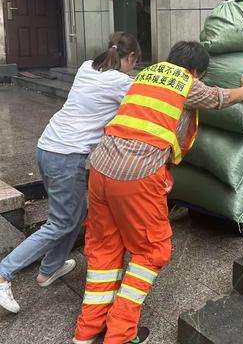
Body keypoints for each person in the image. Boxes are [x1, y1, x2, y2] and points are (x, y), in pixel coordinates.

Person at [73, 41, 243, 344]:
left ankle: (87, 331)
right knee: (152, 250)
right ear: (196, 71)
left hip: (99, 169)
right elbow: (222, 98)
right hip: (136, 176)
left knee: (104, 249)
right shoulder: (188, 82)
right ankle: (120, 334)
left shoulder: (144, 74)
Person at [0, 32, 141, 314]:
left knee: (73, 215)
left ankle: (50, 268)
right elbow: (146, 96)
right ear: (131, 58)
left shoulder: (87, 66)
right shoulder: (121, 82)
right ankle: (4, 273)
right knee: (61, 222)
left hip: (47, 146)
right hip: (67, 156)